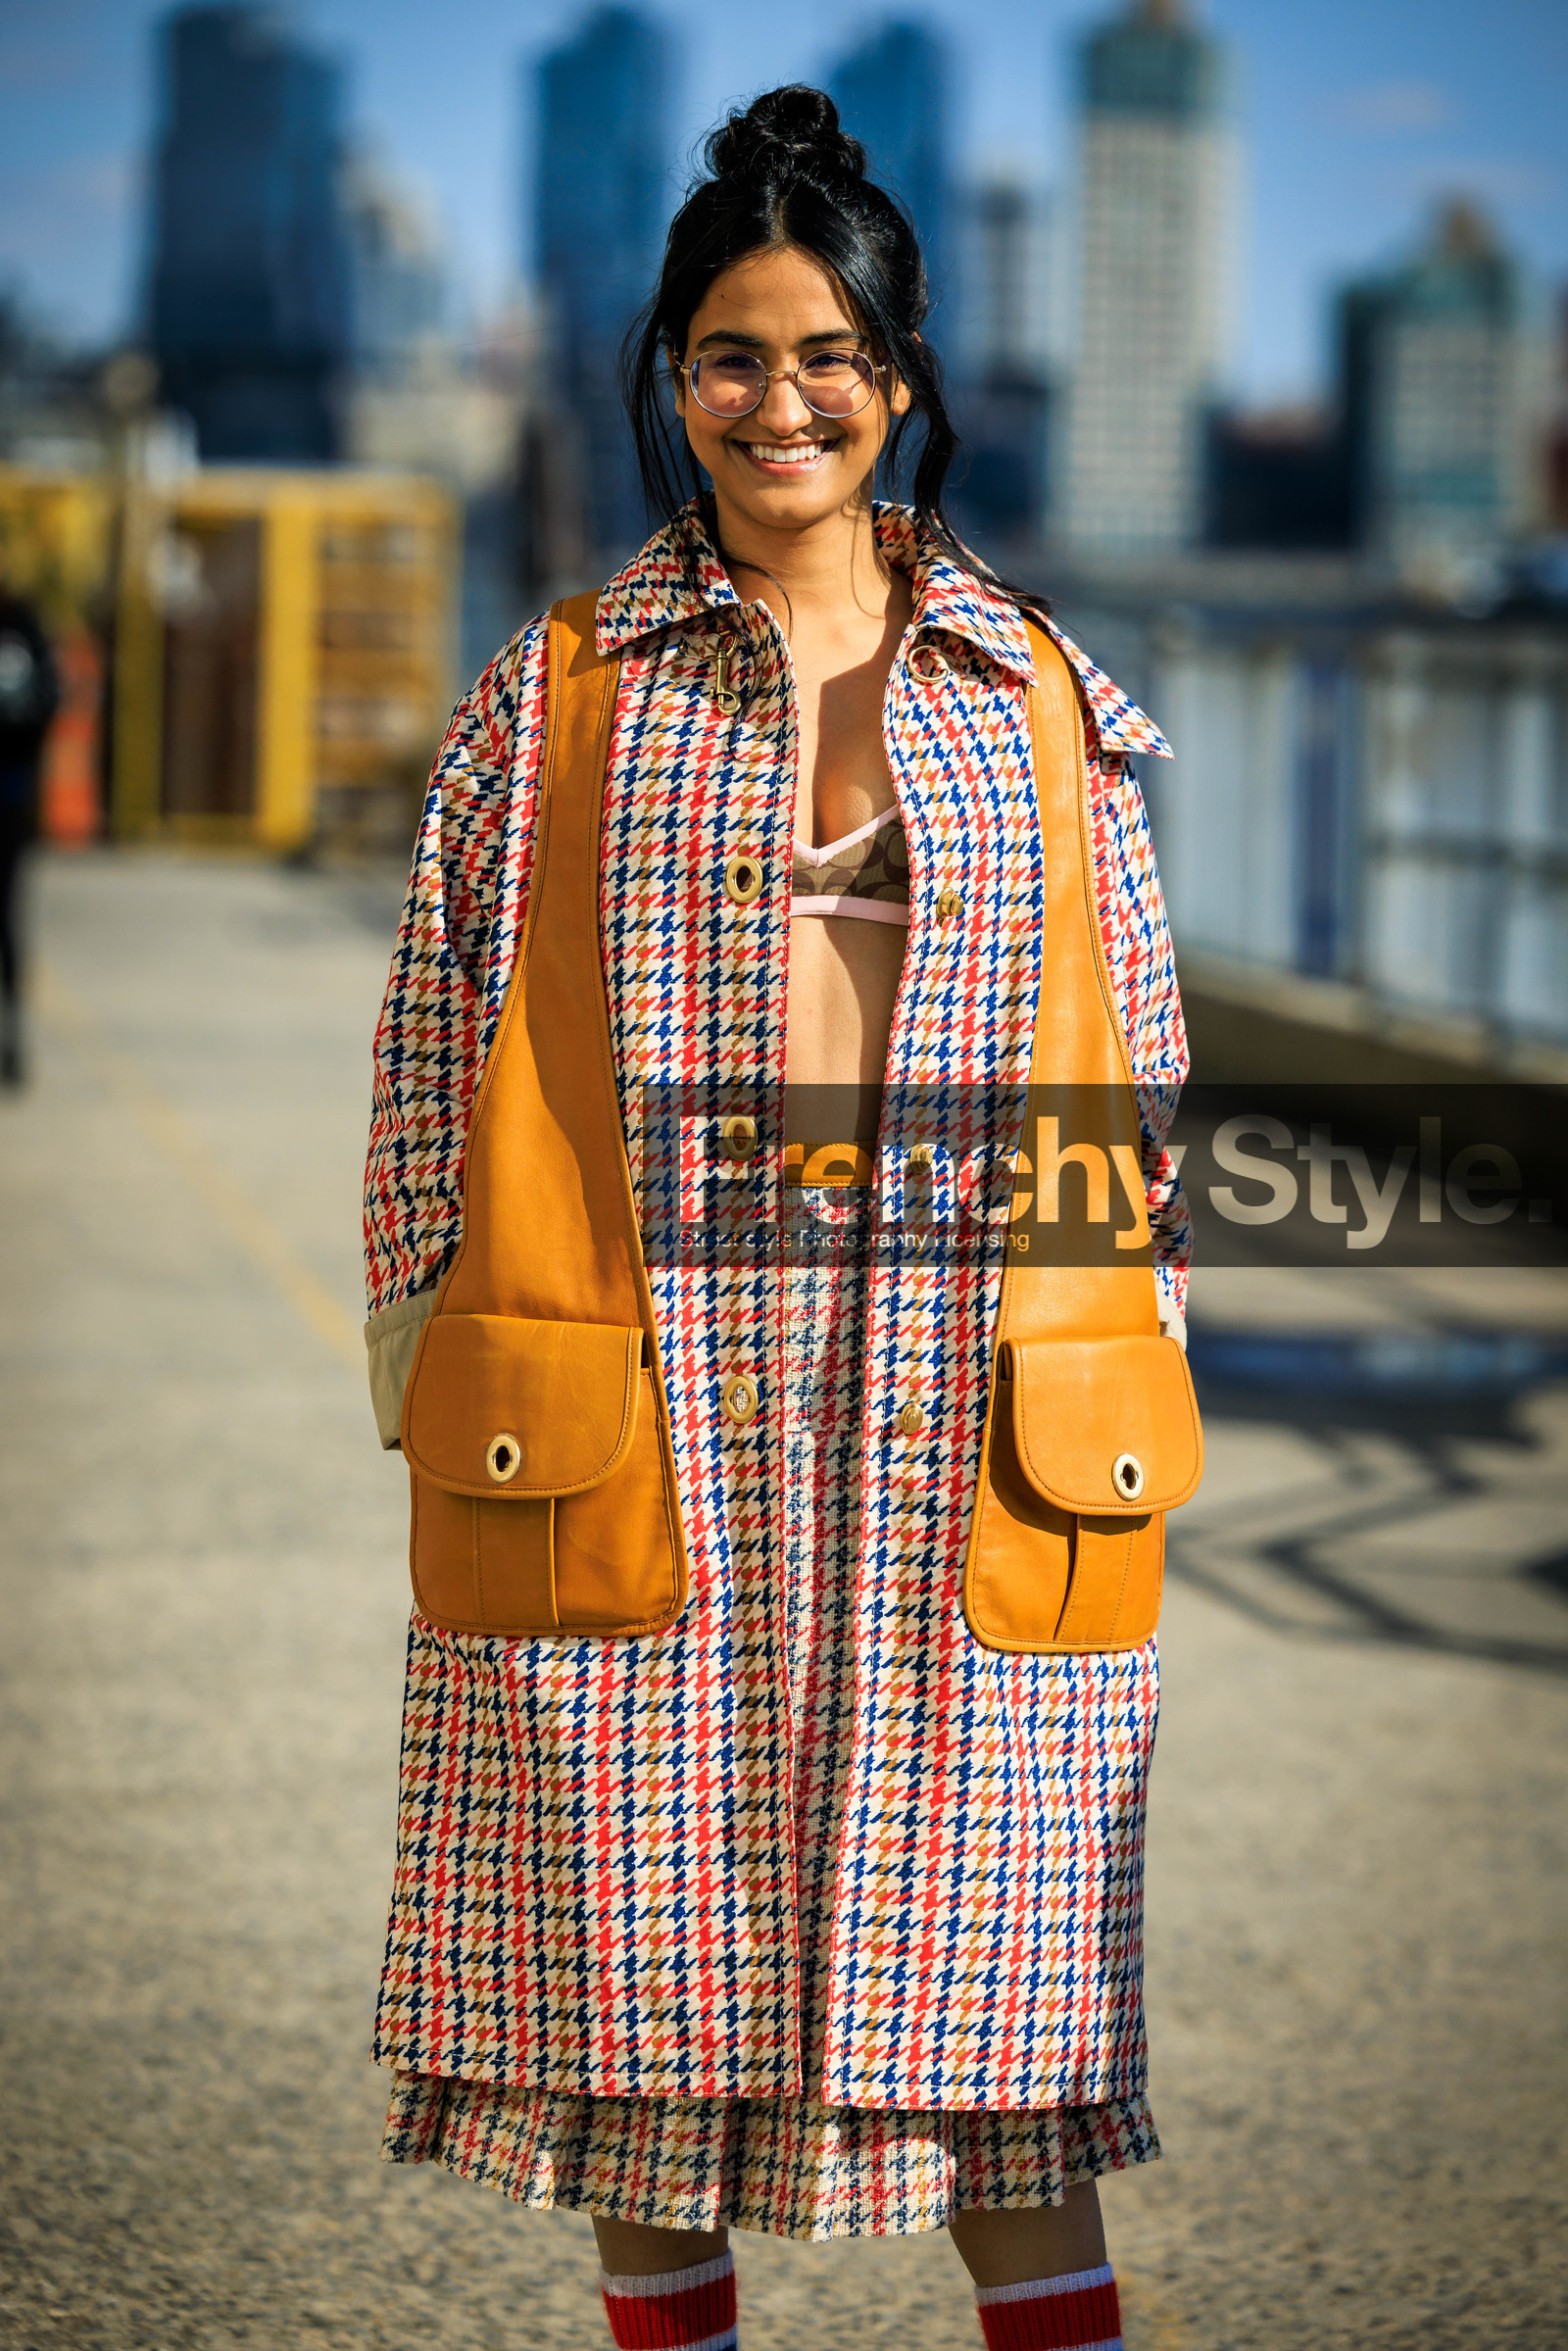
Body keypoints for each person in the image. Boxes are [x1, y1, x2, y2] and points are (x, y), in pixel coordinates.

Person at [362, 86, 1193, 2351]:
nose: (778, 397)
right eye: (728, 353)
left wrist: (1131, 1371)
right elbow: (433, 1060)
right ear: (670, 380)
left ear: (902, 379)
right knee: (632, 2036)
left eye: (826, 351)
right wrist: (424, 1367)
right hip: (650, 1440)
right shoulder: (548, 711)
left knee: (1009, 2084)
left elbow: (1129, 1092)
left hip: (958, 1457)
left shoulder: (1036, 706)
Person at [0, 561, 59, 1087]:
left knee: (8, 921)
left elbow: (49, 701)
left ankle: (13, 1037)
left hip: (11, 797)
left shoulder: (23, 627)